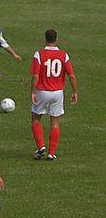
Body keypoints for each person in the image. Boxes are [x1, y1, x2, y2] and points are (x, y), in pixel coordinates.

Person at [30, 29, 77, 161]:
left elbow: (35, 75)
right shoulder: (64, 55)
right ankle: (51, 153)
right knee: (55, 124)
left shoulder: (39, 54)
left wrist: (33, 92)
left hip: (42, 91)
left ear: (45, 39)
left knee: (35, 118)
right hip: (58, 93)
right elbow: (71, 75)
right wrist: (74, 92)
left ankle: (40, 147)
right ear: (56, 39)